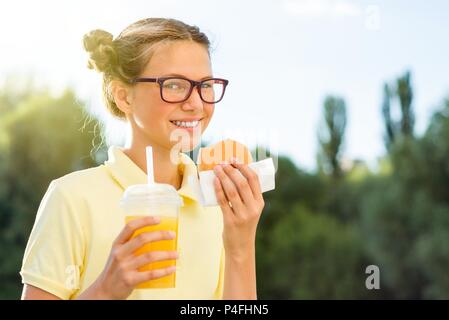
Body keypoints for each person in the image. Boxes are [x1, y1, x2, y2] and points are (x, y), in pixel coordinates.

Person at [20, 17, 265, 300]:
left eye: (206, 85)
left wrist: (241, 247)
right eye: (174, 85)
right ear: (123, 96)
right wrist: (106, 291)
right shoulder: (72, 198)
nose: (196, 104)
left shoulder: (214, 202)